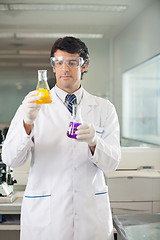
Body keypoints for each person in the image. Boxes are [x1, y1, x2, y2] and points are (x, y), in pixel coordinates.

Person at [2, 36, 121, 240]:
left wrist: (95, 143)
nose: (65, 68)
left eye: (72, 62)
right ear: (53, 67)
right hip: (47, 220)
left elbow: (112, 163)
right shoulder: (32, 104)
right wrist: (27, 124)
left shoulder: (104, 109)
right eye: (59, 63)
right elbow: (10, 159)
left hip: (90, 218)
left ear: (83, 66)